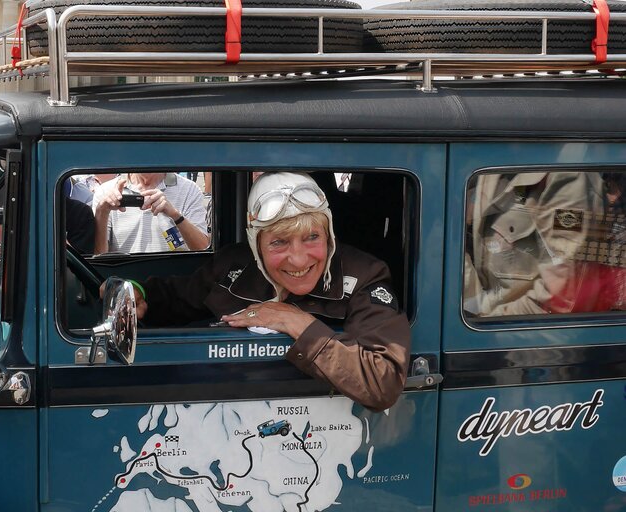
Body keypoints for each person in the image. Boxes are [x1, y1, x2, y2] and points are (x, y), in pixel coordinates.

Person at [119, 172, 410, 411]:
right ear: (256, 244)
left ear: (329, 235)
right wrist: (139, 294)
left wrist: (294, 321)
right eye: (279, 242)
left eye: (312, 237)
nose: (298, 259)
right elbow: (179, 297)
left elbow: (380, 382)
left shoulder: (364, 277)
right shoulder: (233, 265)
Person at [464, 171, 604, 316]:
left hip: (525, 329)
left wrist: (488, 325)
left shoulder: (568, 175)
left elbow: (561, 297)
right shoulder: (488, 163)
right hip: (477, 319)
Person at [92, 172, 209, 254]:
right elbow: (98, 255)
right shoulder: (106, 191)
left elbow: (203, 249)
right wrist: (102, 211)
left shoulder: (188, 189)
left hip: (174, 282)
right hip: (126, 282)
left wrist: (175, 215)